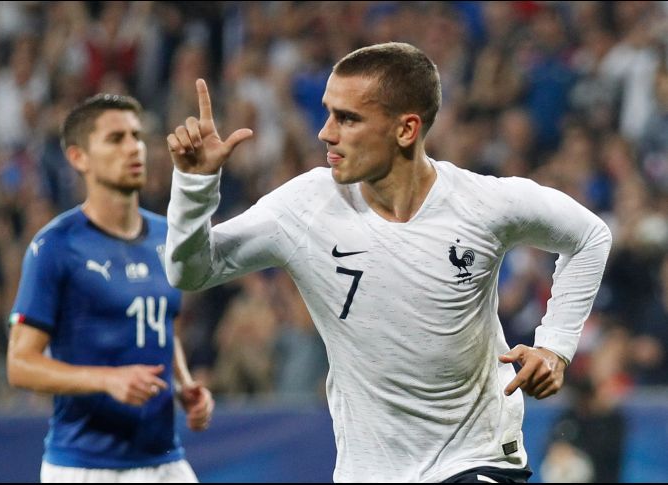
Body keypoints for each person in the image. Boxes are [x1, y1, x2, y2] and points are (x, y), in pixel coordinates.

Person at [164, 42, 612, 483]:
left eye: (348, 118)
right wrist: (194, 187)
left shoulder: (483, 204)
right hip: (368, 470)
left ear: (406, 130)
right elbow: (191, 271)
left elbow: (590, 236)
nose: (326, 132)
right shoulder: (304, 207)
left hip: (476, 457)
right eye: (327, 112)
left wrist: (554, 346)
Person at [6, 93, 213, 483]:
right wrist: (107, 379)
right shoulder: (55, 247)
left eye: (136, 136)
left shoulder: (167, 236)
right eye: (115, 139)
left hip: (166, 460)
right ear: (78, 158)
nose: (134, 147)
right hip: (86, 466)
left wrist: (184, 383)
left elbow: (161, 322)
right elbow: (20, 364)